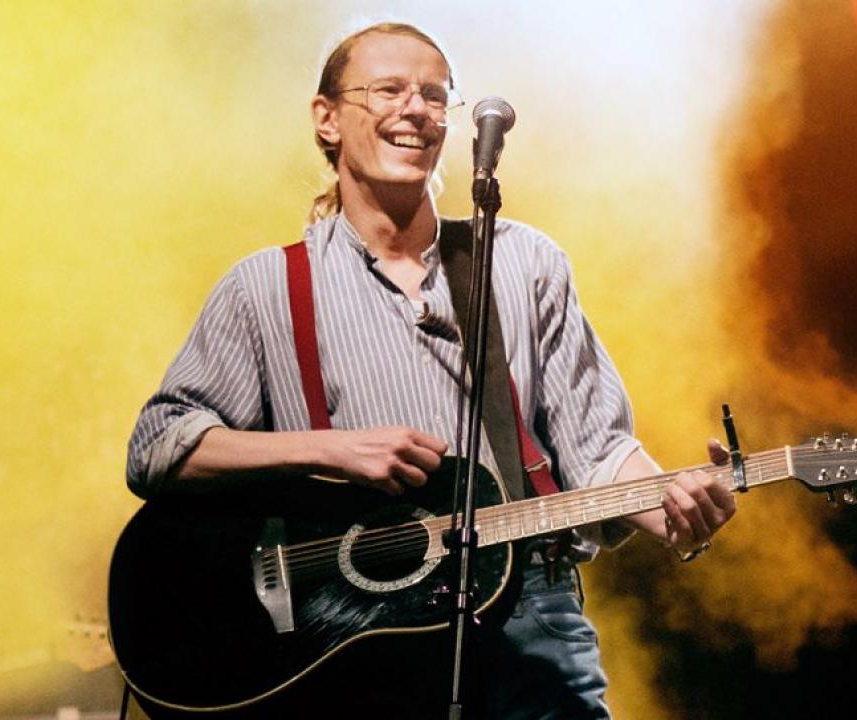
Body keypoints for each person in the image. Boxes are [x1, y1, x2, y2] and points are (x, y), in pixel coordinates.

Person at [126, 21, 736, 719]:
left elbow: (597, 452)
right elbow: (158, 446)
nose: (416, 109)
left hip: (529, 618)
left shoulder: (522, 261)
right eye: (389, 89)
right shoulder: (264, 287)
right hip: (347, 639)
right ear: (327, 119)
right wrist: (331, 450)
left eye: (434, 96)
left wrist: (677, 509)